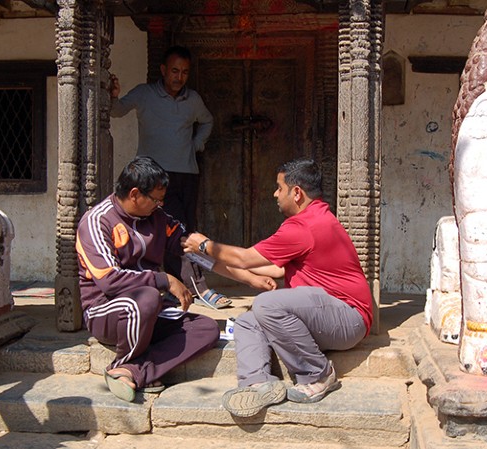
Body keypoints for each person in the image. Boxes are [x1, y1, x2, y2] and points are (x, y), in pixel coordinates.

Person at [183, 159, 373, 417]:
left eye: (279, 187)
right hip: (324, 318)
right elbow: (271, 269)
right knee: (248, 321)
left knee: (266, 304)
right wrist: (207, 259)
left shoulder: (305, 226)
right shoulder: (312, 220)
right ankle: (258, 383)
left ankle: (318, 374)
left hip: (348, 319)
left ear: (296, 193)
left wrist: (205, 245)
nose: (275, 193)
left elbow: (245, 259)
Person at [75, 156, 220, 402]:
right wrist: (164, 280)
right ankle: (126, 360)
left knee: (206, 328)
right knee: (148, 297)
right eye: (155, 198)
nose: (160, 204)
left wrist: (237, 263)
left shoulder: (158, 217)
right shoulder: (97, 221)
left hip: (151, 311)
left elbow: (185, 241)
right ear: (134, 194)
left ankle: (132, 370)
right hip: (108, 311)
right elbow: (109, 280)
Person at [110, 45, 231, 309]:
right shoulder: (144, 94)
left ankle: (183, 286)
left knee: (185, 229)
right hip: (152, 180)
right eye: (174, 70)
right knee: (170, 232)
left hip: (186, 174)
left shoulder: (193, 100)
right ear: (163, 70)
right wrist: (113, 96)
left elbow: (207, 121)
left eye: (185, 72)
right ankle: (196, 288)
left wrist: (197, 144)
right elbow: (116, 111)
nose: (179, 77)